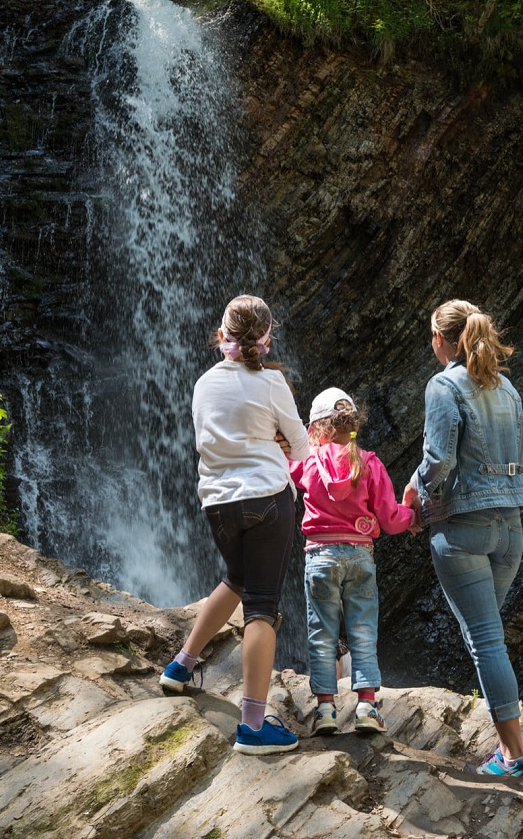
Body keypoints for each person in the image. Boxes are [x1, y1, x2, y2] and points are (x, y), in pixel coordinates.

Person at [160, 294, 311, 756]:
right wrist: (279, 440)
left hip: (217, 505)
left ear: (221, 334)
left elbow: (210, 440)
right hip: (266, 500)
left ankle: (181, 666)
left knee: (237, 579)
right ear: (267, 339)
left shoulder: (203, 383)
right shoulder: (271, 383)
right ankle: (252, 725)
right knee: (262, 606)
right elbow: (303, 447)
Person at [402, 299, 523, 779]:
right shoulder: (508, 390)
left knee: (485, 641)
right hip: (510, 530)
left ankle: (514, 757)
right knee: (489, 637)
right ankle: (510, 747)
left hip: (464, 529)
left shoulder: (442, 385)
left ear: (441, 340)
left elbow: (440, 459)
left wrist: (416, 493)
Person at [290, 388, 417, 737]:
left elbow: (283, 468)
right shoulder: (369, 462)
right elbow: (391, 519)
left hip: (319, 556)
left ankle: (326, 710)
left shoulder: (308, 462)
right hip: (360, 556)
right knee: (362, 632)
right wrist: (412, 515)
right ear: (353, 425)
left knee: (321, 635)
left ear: (316, 427)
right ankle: (366, 707)